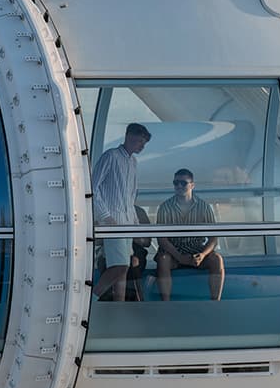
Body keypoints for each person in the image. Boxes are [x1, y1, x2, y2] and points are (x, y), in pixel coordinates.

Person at [91, 122, 151, 301]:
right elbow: (93, 188)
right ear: (129, 137)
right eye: (140, 141)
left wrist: (135, 225)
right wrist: (105, 217)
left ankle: (120, 305)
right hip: (112, 223)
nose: (142, 146)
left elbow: (130, 198)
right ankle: (91, 299)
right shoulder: (110, 156)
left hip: (126, 223)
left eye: (143, 143)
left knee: (123, 269)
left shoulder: (133, 162)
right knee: (121, 266)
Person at [154, 168, 224, 301]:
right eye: (176, 183)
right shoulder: (165, 207)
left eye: (183, 183)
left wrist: (202, 255)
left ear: (192, 185)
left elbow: (214, 237)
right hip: (173, 250)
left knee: (217, 259)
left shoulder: (204, 207)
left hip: (196, 249)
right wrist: (179, 257)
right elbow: (162, 239)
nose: (179, 186)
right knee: (163, 260)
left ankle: (215, 302)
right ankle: (166, 303)